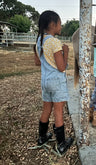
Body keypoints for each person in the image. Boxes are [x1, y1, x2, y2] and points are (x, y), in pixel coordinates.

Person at [34, 10, 73, 155]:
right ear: (52, 24)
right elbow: (62, 67)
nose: (61, 27)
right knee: (58, 111)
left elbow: (38, 63)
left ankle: (42, 137)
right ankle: (62, 143)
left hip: (45, 81)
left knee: (46, 109)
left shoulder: (39, 40)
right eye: (60, 24)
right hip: (56, 81)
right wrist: (66, 52)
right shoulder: (55, 42)